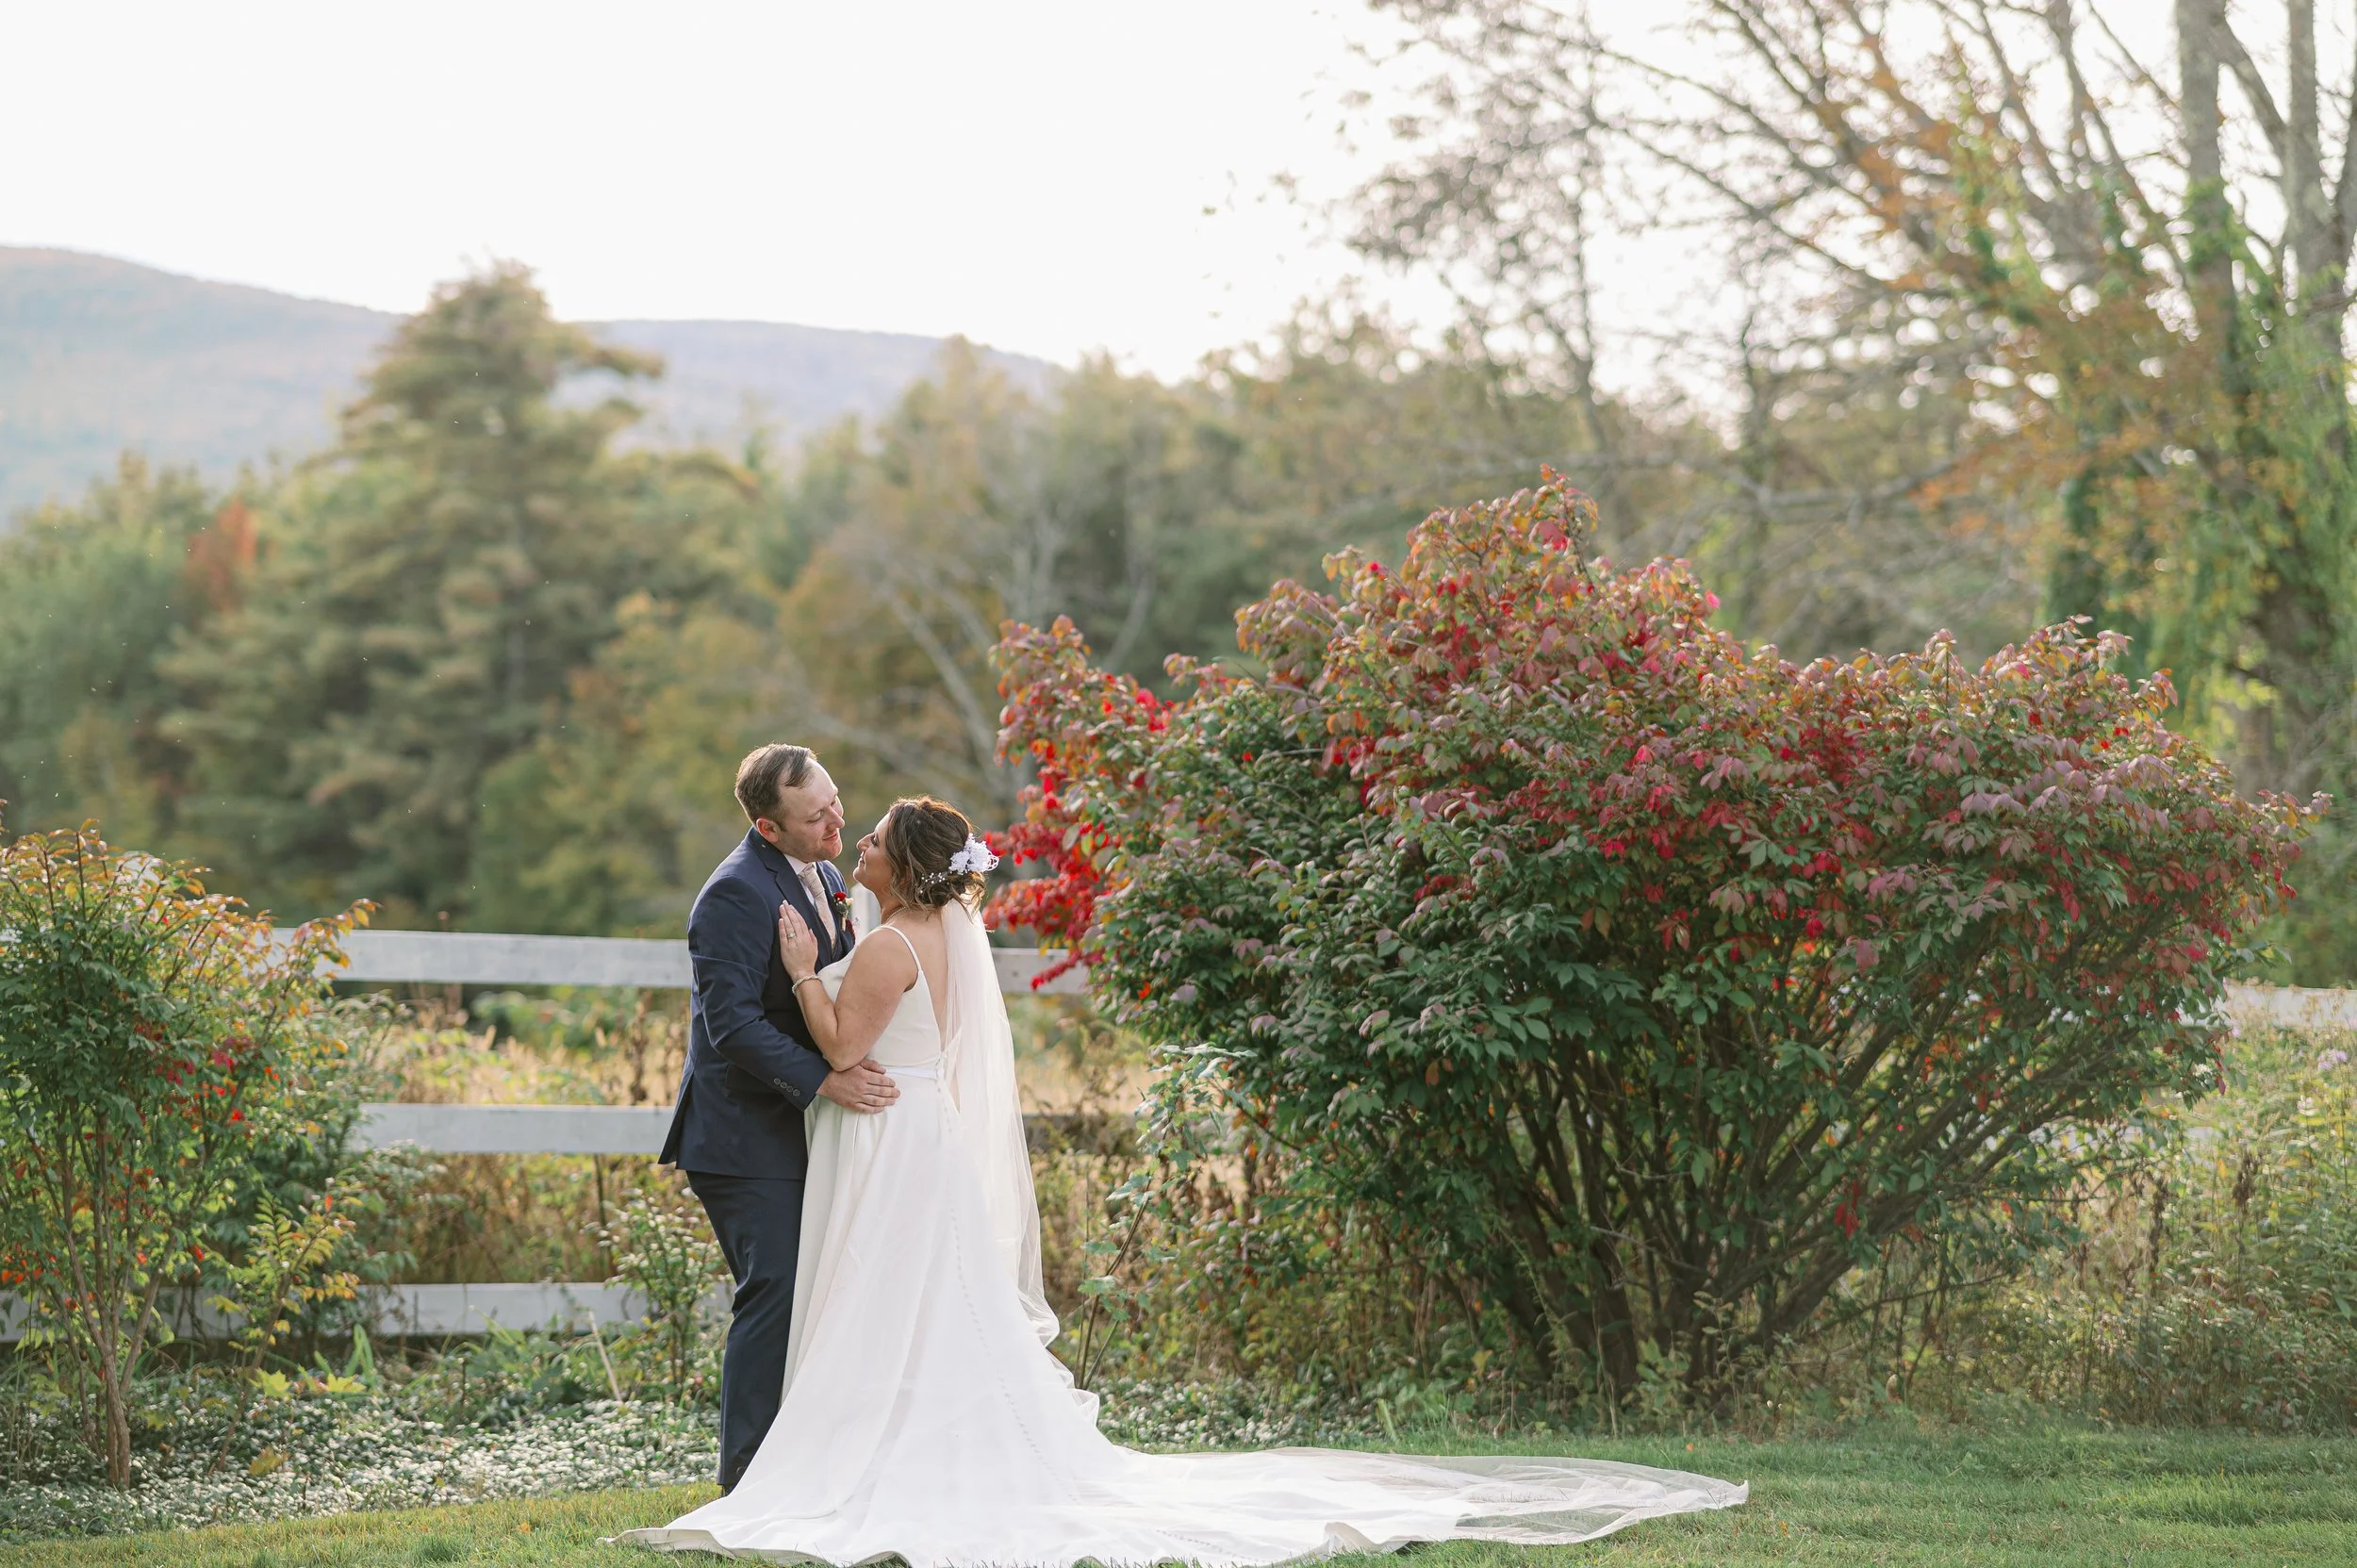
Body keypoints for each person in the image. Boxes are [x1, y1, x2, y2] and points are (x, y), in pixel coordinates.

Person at [628, 793, 1746, 1565]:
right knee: (927, 1309)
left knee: (885, 1303)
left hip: (889, 1140)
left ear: (902, 866)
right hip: (922, 1140)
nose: (854, 843)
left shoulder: (883, 944)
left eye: (867, 838)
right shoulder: (935, 938)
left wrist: (796, 973)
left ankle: (862, 1455)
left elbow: (835, 1049)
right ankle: (913, 1438)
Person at [657, 744, 900, 1494]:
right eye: (815, 813)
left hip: (797, 1130)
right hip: (739, 1134)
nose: (837, 818)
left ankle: (809, 1462)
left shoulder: (826, 873)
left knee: (821, 1289)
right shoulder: (732, 895)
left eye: (833, 799)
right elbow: (729, 1025)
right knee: (779, 1290)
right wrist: (827, 1079)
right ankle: (747, 1481)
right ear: (767, 825)